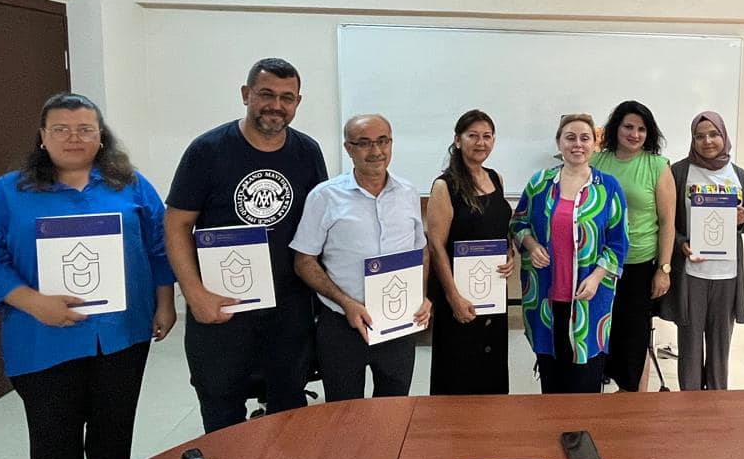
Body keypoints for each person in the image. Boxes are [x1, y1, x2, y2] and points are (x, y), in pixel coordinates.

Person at [0, 94, 176, 459]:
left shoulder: (131, 185)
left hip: (122, 334)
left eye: (85, 129)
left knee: (113, 437)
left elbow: (159, 246)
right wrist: (33, 302)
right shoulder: (8, 193)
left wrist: (165, 303)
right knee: (53, 443)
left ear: (101, 136)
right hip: (42, 338)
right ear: (43, 137)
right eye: (61, 129)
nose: (73, 137)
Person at [165, 58, 329, 432]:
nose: (276, 105)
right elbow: (176, 225)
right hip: (222, 306)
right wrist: (194, 294)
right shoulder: (207, 151)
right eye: (266, 94)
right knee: (222, 414)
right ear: (246, 94)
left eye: (287, 97)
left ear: (298, 102)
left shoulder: (308, 152)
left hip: (288, 308)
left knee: (289, 414)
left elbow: (317, 228)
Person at [292, 114, 430, 400]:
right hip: (342, 323)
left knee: (393, 409)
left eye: (383, 141)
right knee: (345, 412)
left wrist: (421, 295)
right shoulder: (325, 196)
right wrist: (346, 302)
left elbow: (421, 251)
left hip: (397, 323)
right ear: (348, 148)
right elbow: (304, 261)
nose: (376, 151)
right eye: (364, 143)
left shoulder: (407, 192)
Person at [512, 113, 630, 393]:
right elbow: (519, 222)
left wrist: (597, 277)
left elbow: (619, 242)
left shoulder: (608, 187)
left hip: (589, 299)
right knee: (552, 377)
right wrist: (531, 244)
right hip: (546, 298)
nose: (578, 144)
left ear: (594, 145)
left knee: (585, 381)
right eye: (570, 138)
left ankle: (582, 422)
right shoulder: (540, 183)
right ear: (559, 143)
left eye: (585, 138)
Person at [425, 110, 516, 395]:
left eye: (487, 136)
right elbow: (436, 246)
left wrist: (510, 253)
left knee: (492, 368)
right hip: (459, 295)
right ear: (458, 140)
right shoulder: (445, 186)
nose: (481, 142)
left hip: (492, 293)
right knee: (459, 371)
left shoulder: (496, 178)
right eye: (473, 136)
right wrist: (453, 297)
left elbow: (500, 228)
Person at [590, 100, 676, 391]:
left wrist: (663, 269)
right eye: (628, 126)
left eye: (641, 129)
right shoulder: (597, 162)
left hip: (639, 264)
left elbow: (668, 222)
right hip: (599, 264)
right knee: (601, 331)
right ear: (616, 128)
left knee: (634, 336)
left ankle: (632, 398)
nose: (634, 134)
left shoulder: (657, 166)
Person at [667, 112, 744, 390]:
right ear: (692, 140)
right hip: (691, 272)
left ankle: (717, 399)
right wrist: (681, 243)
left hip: (727, 274)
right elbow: (666, 221)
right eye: (700, 136)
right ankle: (690, 399)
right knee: (690, 344)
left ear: (724, 136)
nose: (707, 141)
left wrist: (743, 220)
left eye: (714, 134)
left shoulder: (739, 175)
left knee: (720, 345)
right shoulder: (679, 173)